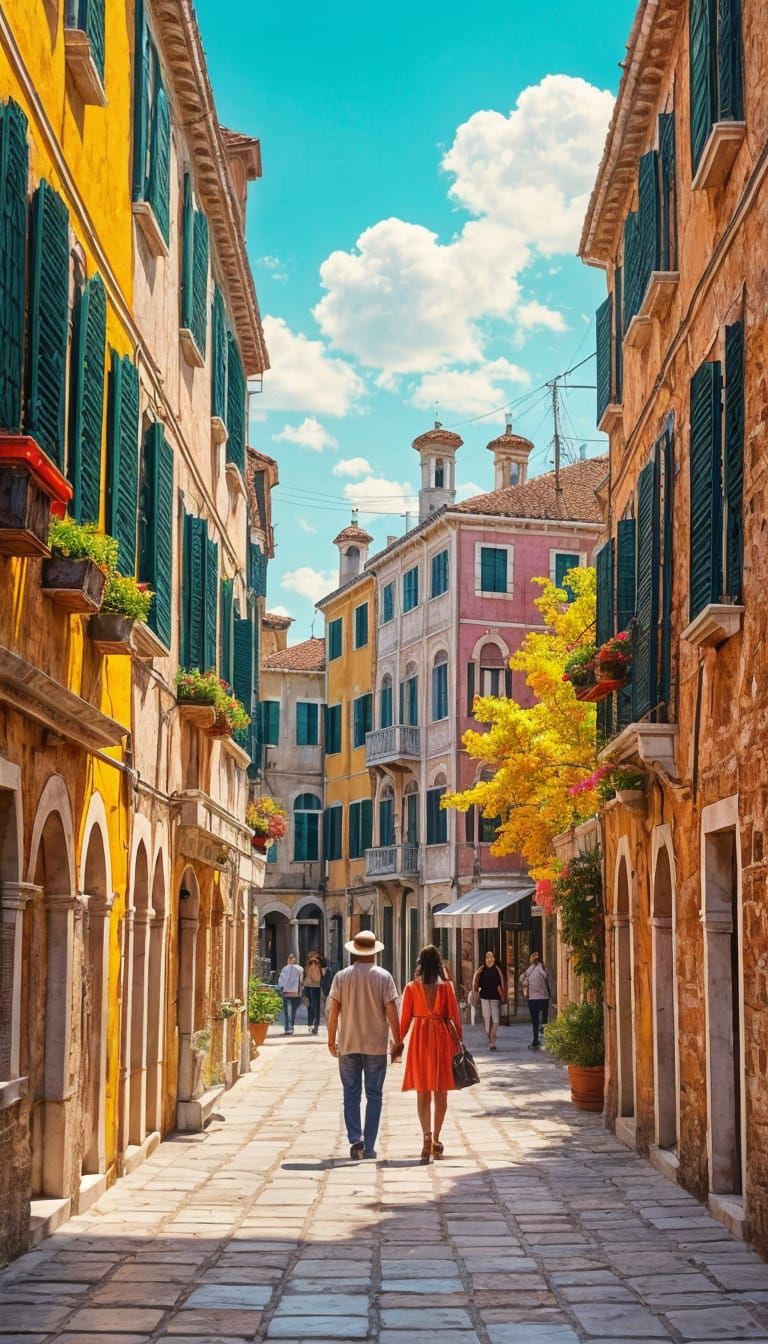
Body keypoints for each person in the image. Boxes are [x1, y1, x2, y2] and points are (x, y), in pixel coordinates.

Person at [326, 929, 403, 1161]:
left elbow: (333, 1011)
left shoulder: (341, 976)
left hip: (349, 1043)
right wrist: (398, 1042)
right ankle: (369, 1144)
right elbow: (391, 1011)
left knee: (350, 1094)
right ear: (374, 952)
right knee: (374, 1094)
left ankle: (355, 1140)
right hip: (376, 1045)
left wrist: (331, 1039)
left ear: (355, 952)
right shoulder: (384, 977)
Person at [400, 945, 463, 1164]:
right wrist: (459, 1042)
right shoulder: (446, 988)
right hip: (441, 1038)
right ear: (438, 964)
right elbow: (455, 1016)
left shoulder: (410, 988)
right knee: (441, 1092)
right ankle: (436, 1138)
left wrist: (398, 1043)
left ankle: (426, 1136)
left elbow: (405, 1021)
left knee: (423, 1092)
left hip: (420, 1039)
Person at [472, 949, 506, 1051]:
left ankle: (492, 1041)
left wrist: (503, 997)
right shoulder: (481, 970)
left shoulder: (497, 971)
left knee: (495, 1021)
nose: (489, 959)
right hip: (484, 998)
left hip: (495, 998)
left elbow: (500, 986)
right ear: (485, 959)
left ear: (494, 959)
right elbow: (476, 984)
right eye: (487, 957)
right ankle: (491, 1041)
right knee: (487, 1019)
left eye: (491, 957)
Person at [520, 951, 552, 1050]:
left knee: (535, 1021)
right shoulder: (542, 967)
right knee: (544, 1020)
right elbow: (547, 978)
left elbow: (522, 979)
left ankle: (535, 1041)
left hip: (533, 998)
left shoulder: (530, 969)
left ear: (531, 959)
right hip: (543, 997)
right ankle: (545, 1041)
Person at [277, 953, 303, 1035]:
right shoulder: (300, 969)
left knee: (287, 1011)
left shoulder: (285, 969)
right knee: (293, 1011)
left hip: (286, 992)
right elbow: (301, 981)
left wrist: (280, 988)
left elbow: (281, 980)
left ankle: (287, 1028)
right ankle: (291, 1027)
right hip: (295, 993)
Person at [303, 952, 323, 1035]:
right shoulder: (314, 964)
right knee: (314, 1006)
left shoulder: (309, 964)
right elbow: (317, 978)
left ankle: (311, 1024)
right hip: (314, 987)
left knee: (310, 1006)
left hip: (308, 986)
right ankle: (314, 1024)